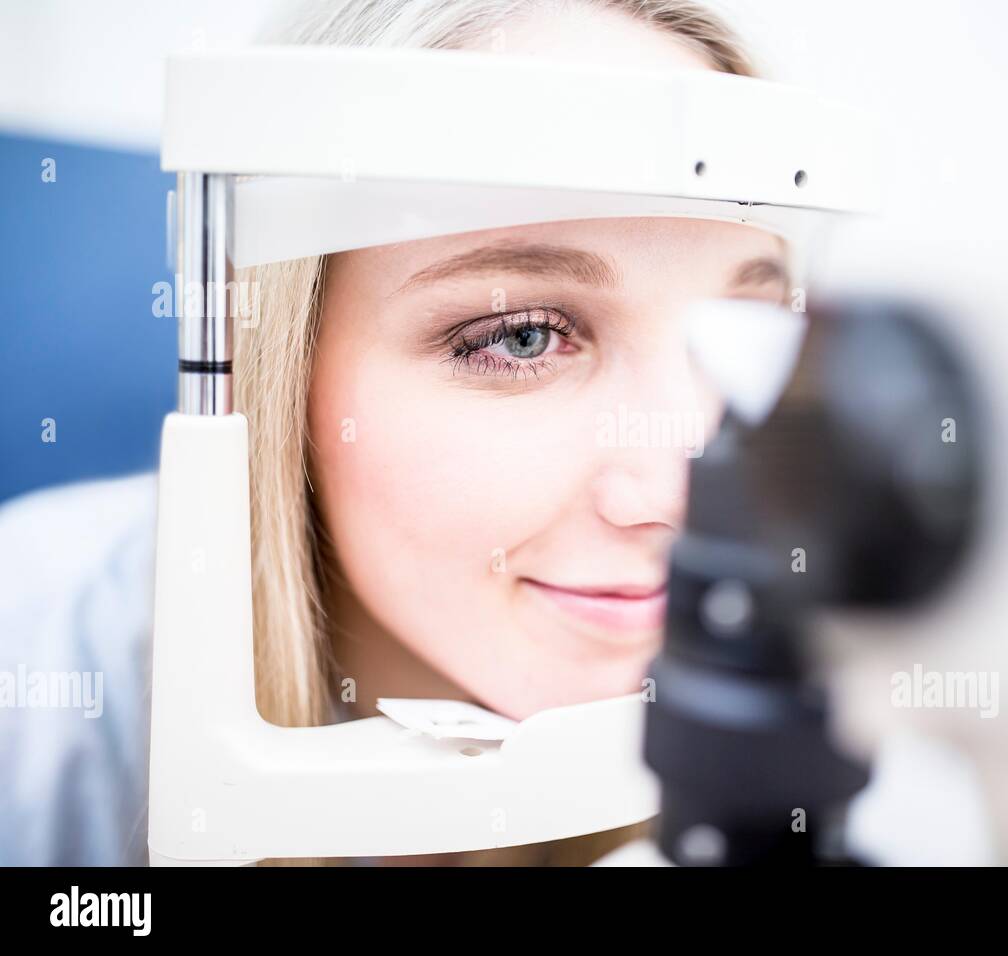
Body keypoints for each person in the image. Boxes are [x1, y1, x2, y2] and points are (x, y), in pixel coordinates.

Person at [0, 0, 793, 866]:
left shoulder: (857, 730)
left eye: (739, 331)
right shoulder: (34, 680)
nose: (680, 494)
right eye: (520, 335)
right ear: (280, 358)